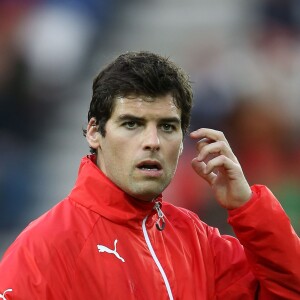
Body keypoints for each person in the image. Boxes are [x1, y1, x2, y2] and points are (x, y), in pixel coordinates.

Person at [0, 51, 299, 299]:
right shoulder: (42, 250)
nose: (152, 141)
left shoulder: (199, 242)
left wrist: (248, 207)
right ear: (94, 132)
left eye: (168, 127)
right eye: (132, 124)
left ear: (183, 142)